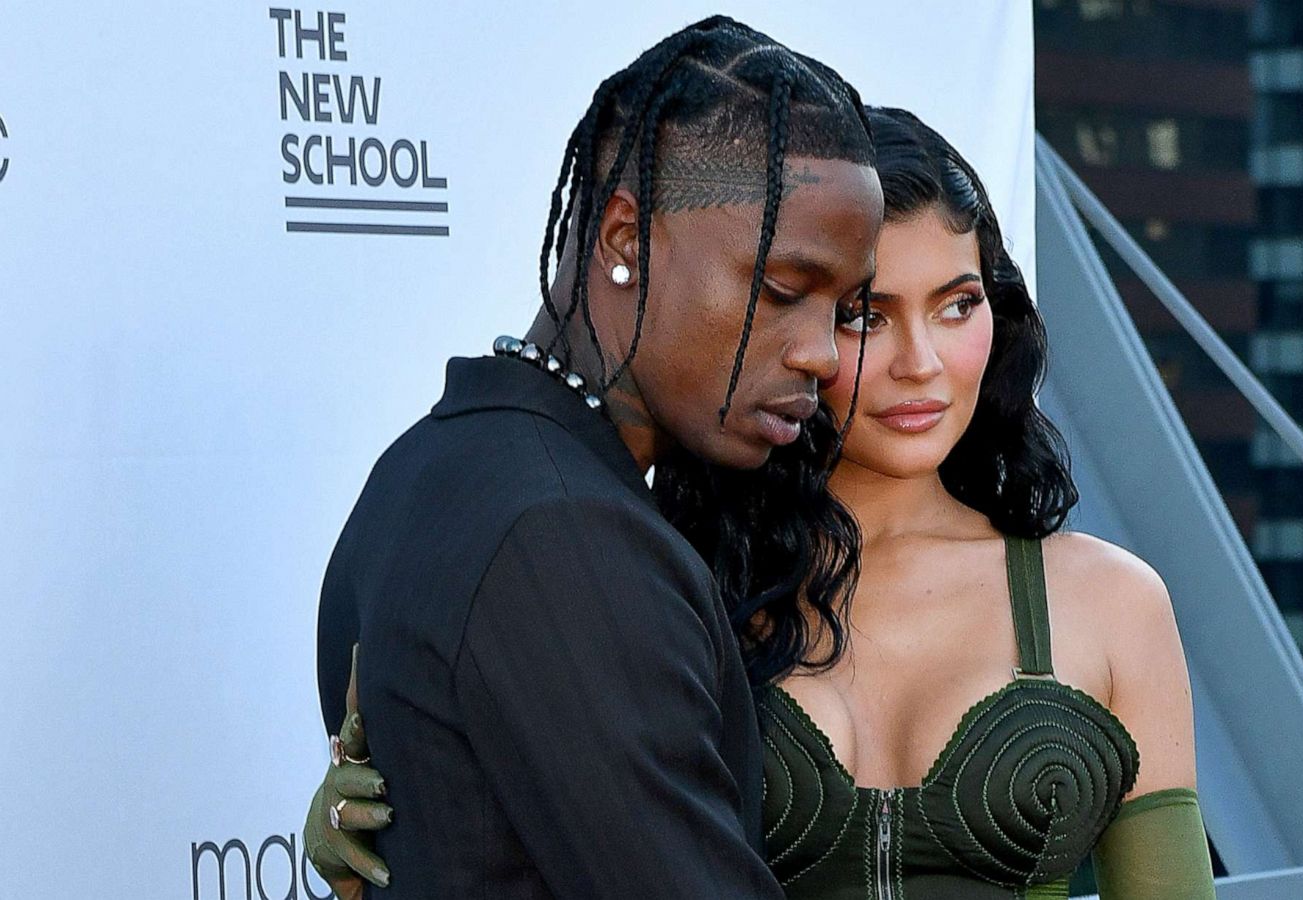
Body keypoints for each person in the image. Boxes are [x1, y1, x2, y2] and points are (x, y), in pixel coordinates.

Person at [311, 108, 1216, 897]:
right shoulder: (666, 574)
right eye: (866, 315)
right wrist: (371, 819)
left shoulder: (1111, 602)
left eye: (957, 303)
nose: (920, 363)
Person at [303, 15, 883, 899]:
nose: (823, 354)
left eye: (843, 309)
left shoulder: (434, 463)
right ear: (624, 241)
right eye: (781, 291)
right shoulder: (563, 537)